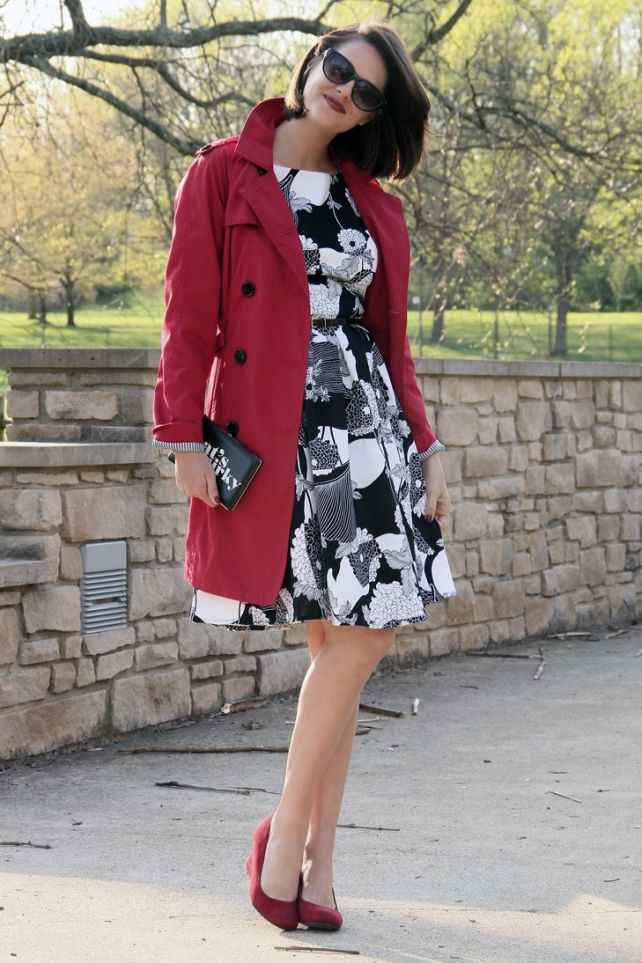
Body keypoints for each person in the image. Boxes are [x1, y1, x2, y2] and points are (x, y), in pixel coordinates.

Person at [152, 20, 456, 932]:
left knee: (360, 640)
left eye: (368, 93)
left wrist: (429, 445)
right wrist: (180, 437)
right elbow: (186, 320)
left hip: (370, 437)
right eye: (338, 70)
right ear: (312, 59)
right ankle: (308, 865)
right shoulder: (221, 174)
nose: (344, 93)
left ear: (376, 116)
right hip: (277, 432)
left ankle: (294, 847)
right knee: (342, 645)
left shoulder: (372, 204)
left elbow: (392, 347)